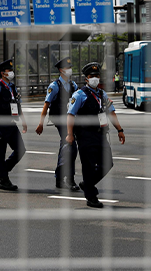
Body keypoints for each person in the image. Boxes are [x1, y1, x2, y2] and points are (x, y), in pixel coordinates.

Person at [66, 62, 125, 208]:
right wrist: (70, 135)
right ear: (86, 78)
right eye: (92, 76)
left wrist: (119, 129)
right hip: (85, 135)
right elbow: (70, 115)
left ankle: (87, 184)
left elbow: (111, 112)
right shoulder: (79, 95)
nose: (95, 78)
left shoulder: (102, 94)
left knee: (107, 163)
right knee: (89, 166)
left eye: (97, 76)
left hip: (100, 134)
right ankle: (91, 197)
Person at [36, 57, 80, 191]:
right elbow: (46, 105)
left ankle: (59, 178)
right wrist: (41, 123)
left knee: (67, 147)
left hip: (71, 119)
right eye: (67, 68)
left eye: (70, 67)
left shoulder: (73, 85)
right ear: (61, 70)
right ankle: (70, 179)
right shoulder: (54, 86)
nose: (69, 70)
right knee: (71, 147)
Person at [0, 59, 27, 191]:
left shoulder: (12, 87)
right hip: (0, 125)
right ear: (3, 73)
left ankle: (4, 169)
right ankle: (4, 180)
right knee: (0, 153)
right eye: (9, 70)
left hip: (11, 124)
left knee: (21, 150)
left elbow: (17, 105)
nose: (11, 72)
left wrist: (23, 121)